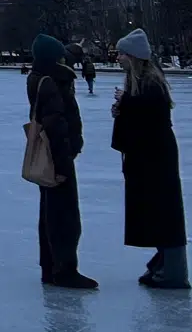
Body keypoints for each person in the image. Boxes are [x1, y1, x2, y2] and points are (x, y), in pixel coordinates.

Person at [112, 29, 189, 289]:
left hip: (153, 159)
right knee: (159, 212)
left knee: (163, 212)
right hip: (151, 157)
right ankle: (165, 263)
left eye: (122, 53)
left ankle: (173, 269)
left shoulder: (148, 87)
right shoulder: (144, 84)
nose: (118, 57)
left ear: (133, 56)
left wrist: (123, 110)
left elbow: (141, 125)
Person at [27, 34, 96, 289]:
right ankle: (64, 270)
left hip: (49, 157)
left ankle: (50, 267)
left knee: (50, 213)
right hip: (57, 158)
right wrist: (64, 161)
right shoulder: (50, 82)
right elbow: (55, 124)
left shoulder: (40, 78)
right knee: (64, 215)